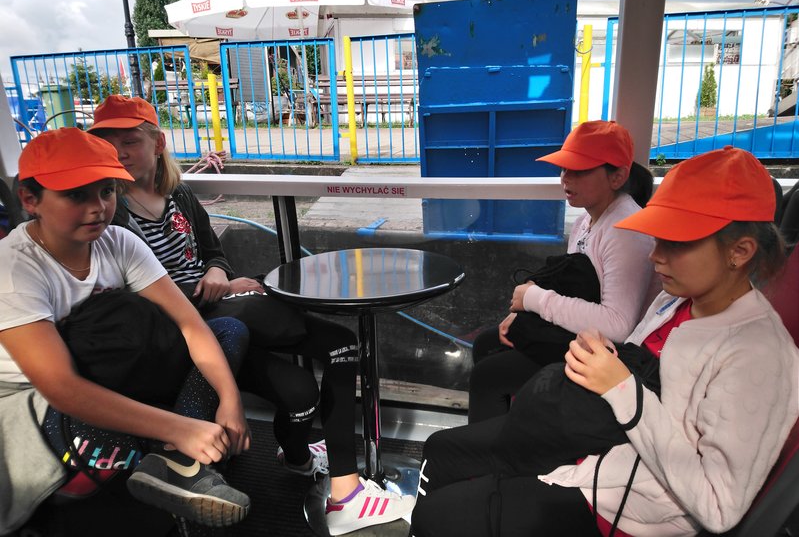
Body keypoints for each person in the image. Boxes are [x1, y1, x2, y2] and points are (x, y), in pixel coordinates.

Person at [411, 145, 799, 537]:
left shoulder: (758, 355)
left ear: (739, 251)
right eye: (657, 239)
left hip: (623, 509)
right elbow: (638, 361)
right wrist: (604, 354)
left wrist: (621, 387)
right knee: (441, 451)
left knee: (437, 516)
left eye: (676, 243)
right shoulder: (676, 300)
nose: (655, 256)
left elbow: (718, 506)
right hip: (591, 444)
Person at [89, 94, 415, 535]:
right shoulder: (110, 212)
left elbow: (213, 253)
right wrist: (217, 289)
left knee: (340, 348)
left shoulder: (178, 194)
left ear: (158, 143)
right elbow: (137, 300)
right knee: (301, 387)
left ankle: (323, 475)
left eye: (129, 141)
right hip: (192, 330)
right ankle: (334, 485)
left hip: (225, 311)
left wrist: (218, 272)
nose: (119, 153)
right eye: (108, 144)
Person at [0, 128, 252, 533]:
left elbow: (189, 324)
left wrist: (230, 399)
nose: (98, 208)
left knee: (226, 329)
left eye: (106, 191)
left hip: (113, 372)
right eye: (76, 195)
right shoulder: (14, 269)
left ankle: (174, 461)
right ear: (30, 200)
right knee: (121, 321)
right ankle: (172, 452)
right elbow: (60, 386)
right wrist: (179, 427)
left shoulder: (117, 241)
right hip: (40, 398)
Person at [468, 120, 659, 422]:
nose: (566, 178)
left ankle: (497, 446)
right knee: (486, 344)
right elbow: (571, 285)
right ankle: (507, 434)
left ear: (618, 176)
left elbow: (619, 325)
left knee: (488, 376)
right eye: (564, 168)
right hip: (581, 335)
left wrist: (534, 299)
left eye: (579, 171)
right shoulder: (587, 220)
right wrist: (525, 313)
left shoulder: (626, 231)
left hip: (612, 356)